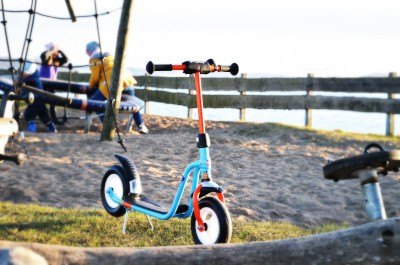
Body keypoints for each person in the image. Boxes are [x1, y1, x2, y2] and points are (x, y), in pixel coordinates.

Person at [85, 41, 148, 134]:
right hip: (126, 79)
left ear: (90, 50)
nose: (86, 53)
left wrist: (90, 87)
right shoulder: (110, 55)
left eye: (87, 50)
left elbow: (94, 77)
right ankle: (141, 125)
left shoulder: (94, 59)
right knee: (133, 104)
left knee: (95, 103)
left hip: (111, 82)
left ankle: (109, 126)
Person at [21, 62, 57, 133]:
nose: (24, 74)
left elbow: (27, 86)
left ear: (31, 73)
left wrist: (21, 85)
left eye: (26, 73)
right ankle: (52, 128)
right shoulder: (30, 78)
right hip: (40, 100)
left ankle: (32, 130)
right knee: (44, 115)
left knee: (29, 114)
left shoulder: (32, 80)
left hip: (36, 100)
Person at [39, 42, 68, 124]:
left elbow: (66, 59)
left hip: (52, 83)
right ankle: (43, 119)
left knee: (53, 102)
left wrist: (60, 51)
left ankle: (54, 120)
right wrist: (52, 50)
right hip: (43, 82)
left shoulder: (57, 60)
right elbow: (45, 56)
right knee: (41, 101)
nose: (55, 53)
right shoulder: (45, 56)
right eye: (54, 51)